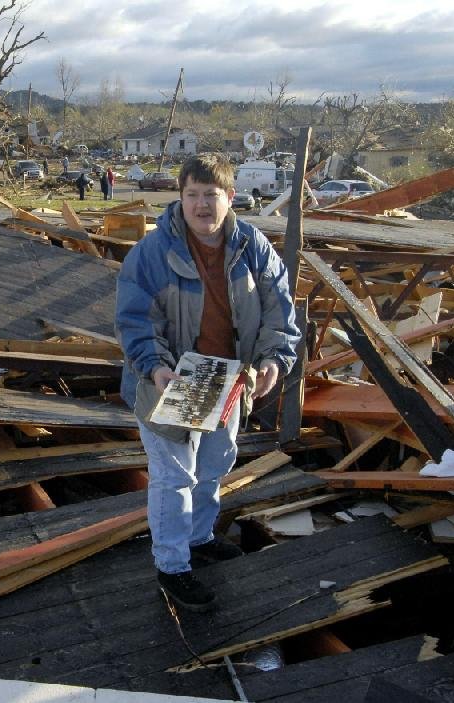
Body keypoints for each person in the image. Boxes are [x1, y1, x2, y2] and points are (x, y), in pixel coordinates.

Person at [114, 153, 299, 612]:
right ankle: (172, 566)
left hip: (229, 380)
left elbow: (279, 308)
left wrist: (274, 357)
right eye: (192, 195)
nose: (201, 206)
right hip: (170, 380)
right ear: (179, 198)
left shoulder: (251, 246)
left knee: (214, 464)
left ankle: (199, 539)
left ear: (230, 197)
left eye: (210, 195)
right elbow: (135, 321)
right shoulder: (152, 254)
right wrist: (154, 366)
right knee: (174, 477)